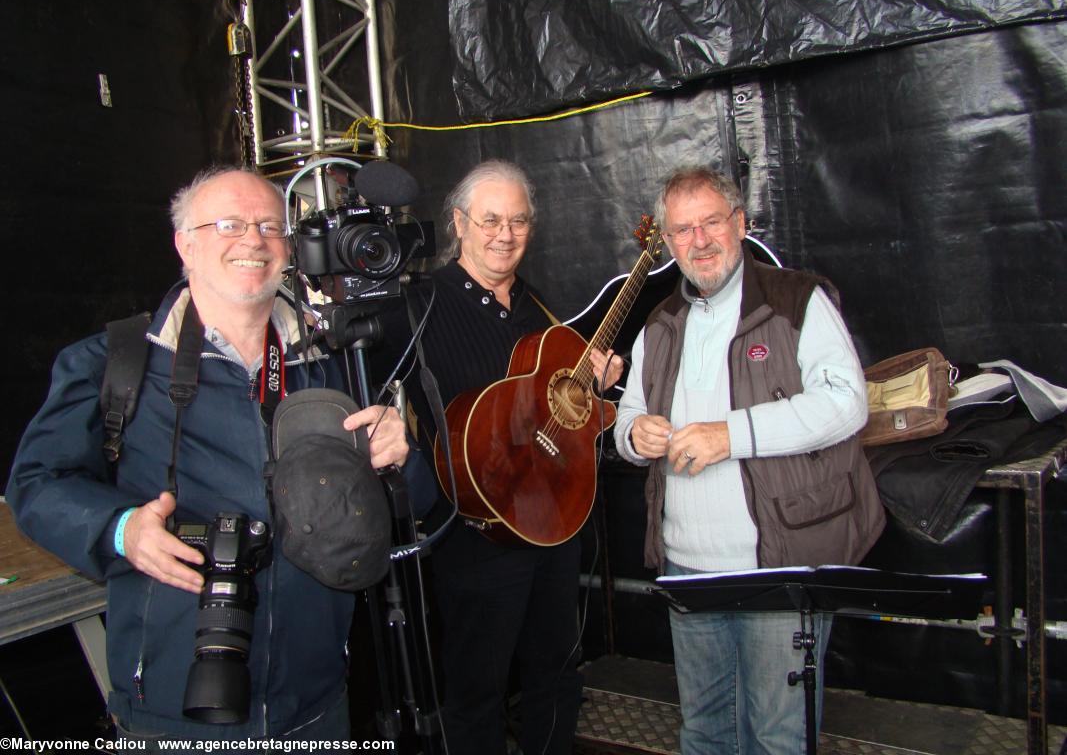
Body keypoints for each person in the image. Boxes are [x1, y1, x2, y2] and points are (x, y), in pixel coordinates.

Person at [6, 166, 410, 740]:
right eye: (228, 224)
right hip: (176, 704)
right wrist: (122, 531)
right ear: (185, 245)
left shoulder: (335, 362)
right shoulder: (116, 362)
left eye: (270, 226)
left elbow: (411, 508)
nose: (252, 239)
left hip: (315, 697)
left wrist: (401, 458)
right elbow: (37, 483)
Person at [613, 166, 885, 754]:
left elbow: (847, 404)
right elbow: (625, 419)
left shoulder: (798, 300)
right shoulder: (659, 325)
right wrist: (638, 436)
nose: (700, 241)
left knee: (777, 736)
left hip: (779, 569)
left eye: (712, 222)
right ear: (667, 239)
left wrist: (729, 435)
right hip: (687, 568)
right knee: (704, 730)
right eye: (683, 230)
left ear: (739, 223)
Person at [395, 160, 622, 755]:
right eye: (490, 219)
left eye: (519, 221)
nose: (505, 234)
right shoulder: (417, 306)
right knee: (476, 695)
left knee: (557, 676)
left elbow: (552, 405)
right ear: (459, 224)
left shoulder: (534, 304)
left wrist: (591, 385)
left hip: (551, 521)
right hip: (475, 534)